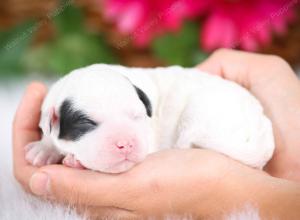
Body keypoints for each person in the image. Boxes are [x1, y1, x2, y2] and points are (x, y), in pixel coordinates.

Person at [13, 49, 300, 219]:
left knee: (199, 113)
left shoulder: (142, 90)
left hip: (238, 126)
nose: (124, 142)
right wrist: (50, 144)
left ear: (144, 104)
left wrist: (229, 187)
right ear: (52, 120)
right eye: (91, 125)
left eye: (136, 117)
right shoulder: (58, 103)